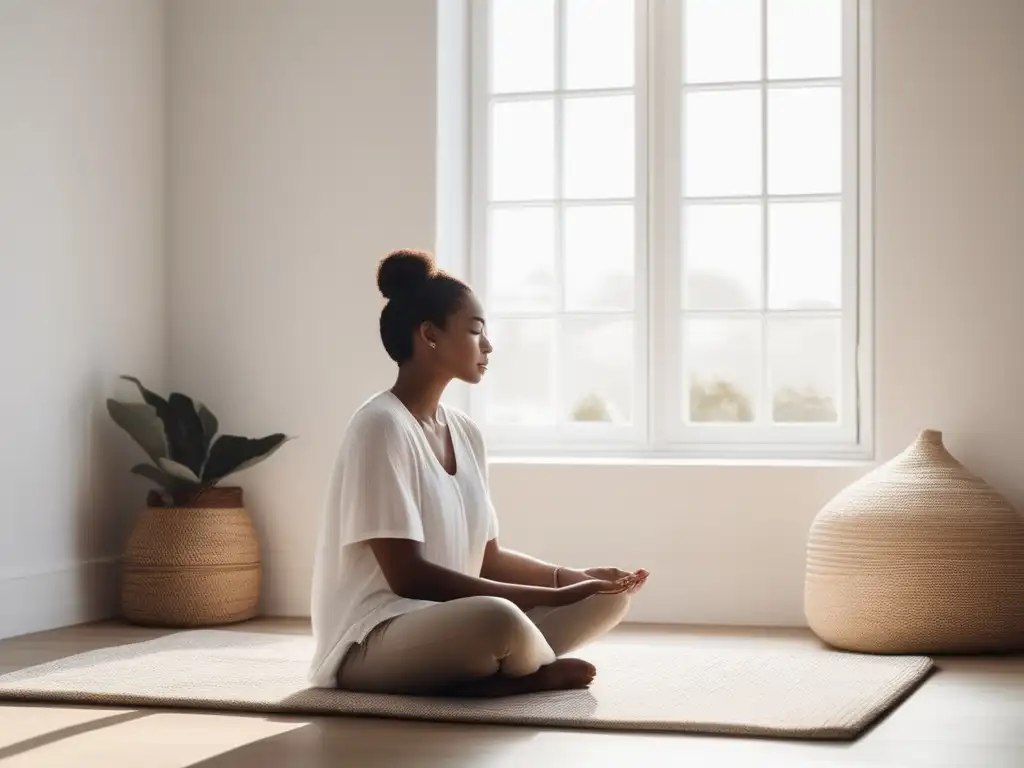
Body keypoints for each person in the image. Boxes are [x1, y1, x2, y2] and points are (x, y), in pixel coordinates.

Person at [307, 249, 649, 697]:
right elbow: (409, 579)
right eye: (475, 331)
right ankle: (512, 676)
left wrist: (575, 579)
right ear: (429, 335)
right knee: (498, 618)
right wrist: (549, 598)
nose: (487, 346)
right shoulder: (380, 426)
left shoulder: (465, 432)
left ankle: (503, 668)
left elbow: (488, 558)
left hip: (448, 624)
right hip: (373, 638)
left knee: (607, 598)